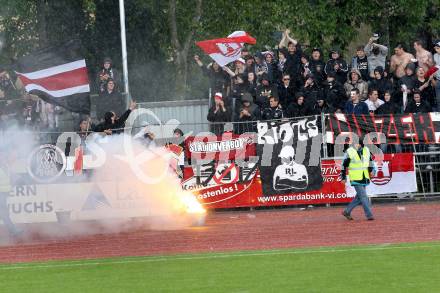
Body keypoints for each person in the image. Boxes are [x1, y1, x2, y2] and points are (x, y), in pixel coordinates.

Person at [341, 141, 375, 221]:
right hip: (355, 178)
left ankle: (347, 211)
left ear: (360, 144)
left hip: (364, 177)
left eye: (357, 143)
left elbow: (370, 162)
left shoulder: (366, 150)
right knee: (363, 196)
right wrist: (343, 177)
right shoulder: (349, 152)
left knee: (359, 197)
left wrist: (371, 171)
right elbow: (343, 165)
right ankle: (369, 215)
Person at [0, 147, 22, 236]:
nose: (3, 157)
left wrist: (19, 179)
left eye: (4, 155)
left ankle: (13, 230)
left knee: (4, 213)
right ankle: (13, 230)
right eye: (1, 155)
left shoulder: (5, 165)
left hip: (4, 193)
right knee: (4, 213)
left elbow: (11, 176)